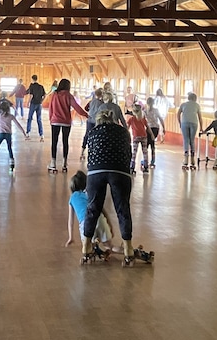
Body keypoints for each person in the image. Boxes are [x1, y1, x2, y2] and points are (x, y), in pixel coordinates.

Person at [80, 111, 152, 265]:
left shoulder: (93, 132)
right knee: (123, 209)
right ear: (113, 120)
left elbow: (90, 154)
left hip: (96, 171)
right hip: (120, 171)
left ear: (98, 121)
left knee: (92, 209)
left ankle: (86, 247)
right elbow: (128, 154)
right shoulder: (123, 132)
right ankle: (128, 249)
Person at [65, 169, 116, 255]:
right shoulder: (90, 193)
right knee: (110, 246)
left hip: (86, 223)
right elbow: (103, 211)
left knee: (87, 247)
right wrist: (110, 226)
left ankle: (94, 247)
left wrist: (71, 237)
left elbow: (70, 222)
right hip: (99, 218)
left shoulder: (72, 198)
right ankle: (129, 251)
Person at [48, 78, 89, 173]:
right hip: (66, 121)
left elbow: (51, 107)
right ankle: (64, 163)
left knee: (54, 142)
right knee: (65, 141)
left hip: (55, 121)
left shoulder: (54, 94)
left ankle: (53, 163)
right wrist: (86, 114)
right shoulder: (69, 96)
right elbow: (77, 107)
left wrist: (51, 118)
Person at [125, 104, 154, 174]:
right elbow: (148, 127)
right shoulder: (143, 119)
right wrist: (152, 134)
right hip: (144, 136)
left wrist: (125, 136)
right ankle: (146, 167)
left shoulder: (131, 119)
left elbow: (127, 128)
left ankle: (132, 167)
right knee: (145, 152)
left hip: (136, 137)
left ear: (133, 111)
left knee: (134, 152)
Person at [177, 92, 202, 170]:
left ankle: (186, 159)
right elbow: (200, 117)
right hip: (194, 123)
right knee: (192, 140)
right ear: (195, 99)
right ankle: (192, 159)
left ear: (188, 98)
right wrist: (201, 127)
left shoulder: (183, 104)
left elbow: (178, 114)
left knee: (186, 140)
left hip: (184, 122)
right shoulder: (197, 105)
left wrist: (180, 122)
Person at [79, 88, 104, 159]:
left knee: (87, 134)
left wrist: (91, 111)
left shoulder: (91, 101)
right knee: (96, 136)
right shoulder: (102, 103)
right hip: (97, 121)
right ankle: (93, 151)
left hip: (89, 120)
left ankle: (82, 151)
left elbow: (86, 108)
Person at [143, 96, 165, 168]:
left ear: (147, 103)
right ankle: (152, 161)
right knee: (152, 144)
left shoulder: (145, 111)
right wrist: (163, 128)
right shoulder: (156, 110)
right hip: (156, 128)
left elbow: (142, 120)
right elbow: (161, 119)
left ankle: (145, 160)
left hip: (148, 128)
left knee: (146, 144)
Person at [25, 74, 46, 140]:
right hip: (39, 104)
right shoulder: (41, 86)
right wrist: (41, 101)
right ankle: (41, 134)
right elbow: (44, 95)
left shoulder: (32, 86)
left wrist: (28, 103)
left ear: (32, 79)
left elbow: (31, 95)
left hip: (33, 103)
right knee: (39, 119)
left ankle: (28, 132)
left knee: (30, 118)